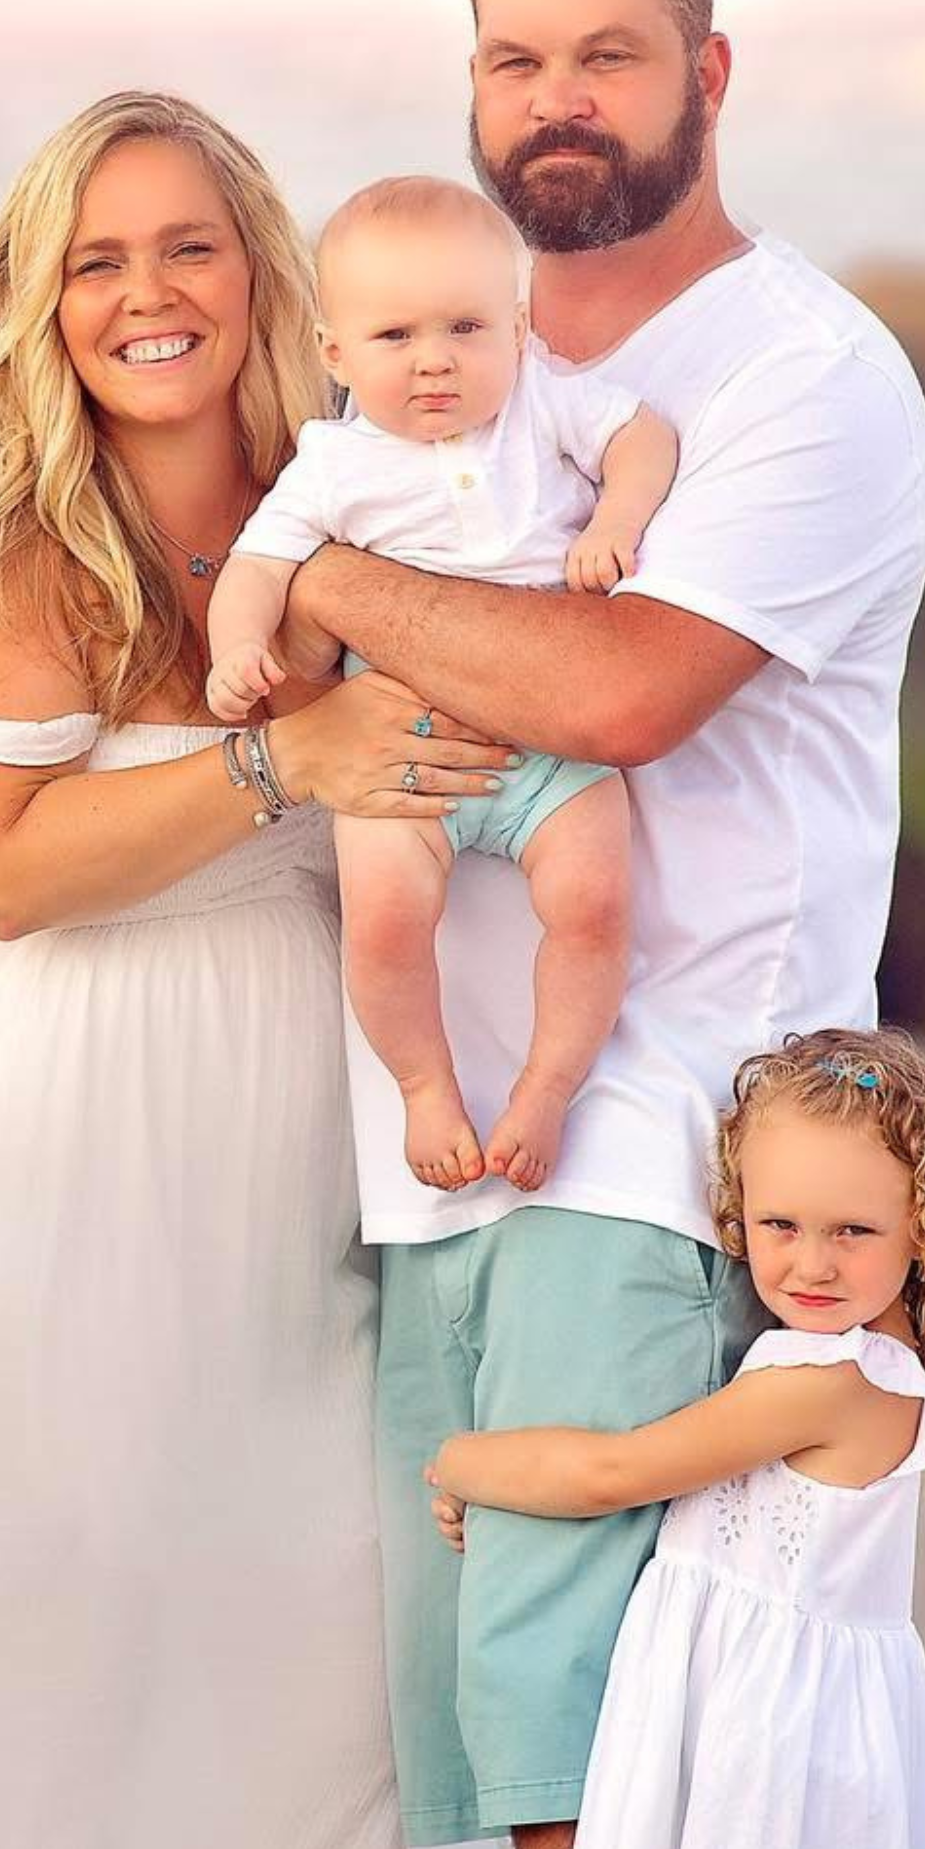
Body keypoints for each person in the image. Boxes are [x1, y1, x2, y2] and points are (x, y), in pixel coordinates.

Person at [277, 0, 925, 1849]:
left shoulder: (795, 378)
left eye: (604, 54)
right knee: (486, 1711)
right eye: (510, 56)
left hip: (661, 1130)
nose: (552, 98)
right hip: (443, 1139)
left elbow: (619, 686)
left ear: (706, 74)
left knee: (587, 1707)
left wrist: (308, 569)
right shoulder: (429, 367)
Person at [0, 92, 514, 1849]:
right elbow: (7, 878)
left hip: (315, 1113)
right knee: (57, 1612)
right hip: (71, 1116)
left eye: (189, 244)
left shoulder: (366, 500)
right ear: (42, 295)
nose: (147, 293)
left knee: (321, 1610)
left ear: (263, 275)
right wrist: (286, 762)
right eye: (96, 259)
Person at [425, 1027, 925, 1849]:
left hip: (762, 1733)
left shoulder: (832, 1381)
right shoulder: (873, 1359)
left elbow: (614, 1474)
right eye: (780, 1225)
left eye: (853, 1230)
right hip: (774, 1712)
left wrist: (463, 1461)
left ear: (922, 1230)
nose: (812, 1263)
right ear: (739, 1208)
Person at [205, 174, 678, 1194]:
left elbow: (644, 436)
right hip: (402, 749)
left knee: (595, 906)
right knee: (380, 924)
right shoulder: (332, 464)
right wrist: (236, 649)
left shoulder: (542, 402)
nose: (434, 360)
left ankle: (546, 1088)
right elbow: (255, 567)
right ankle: (426, 1087)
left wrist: (613, 522)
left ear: (516, 328)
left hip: (553, 743)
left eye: (466, 327)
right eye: (394, 338)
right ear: (335, 354)